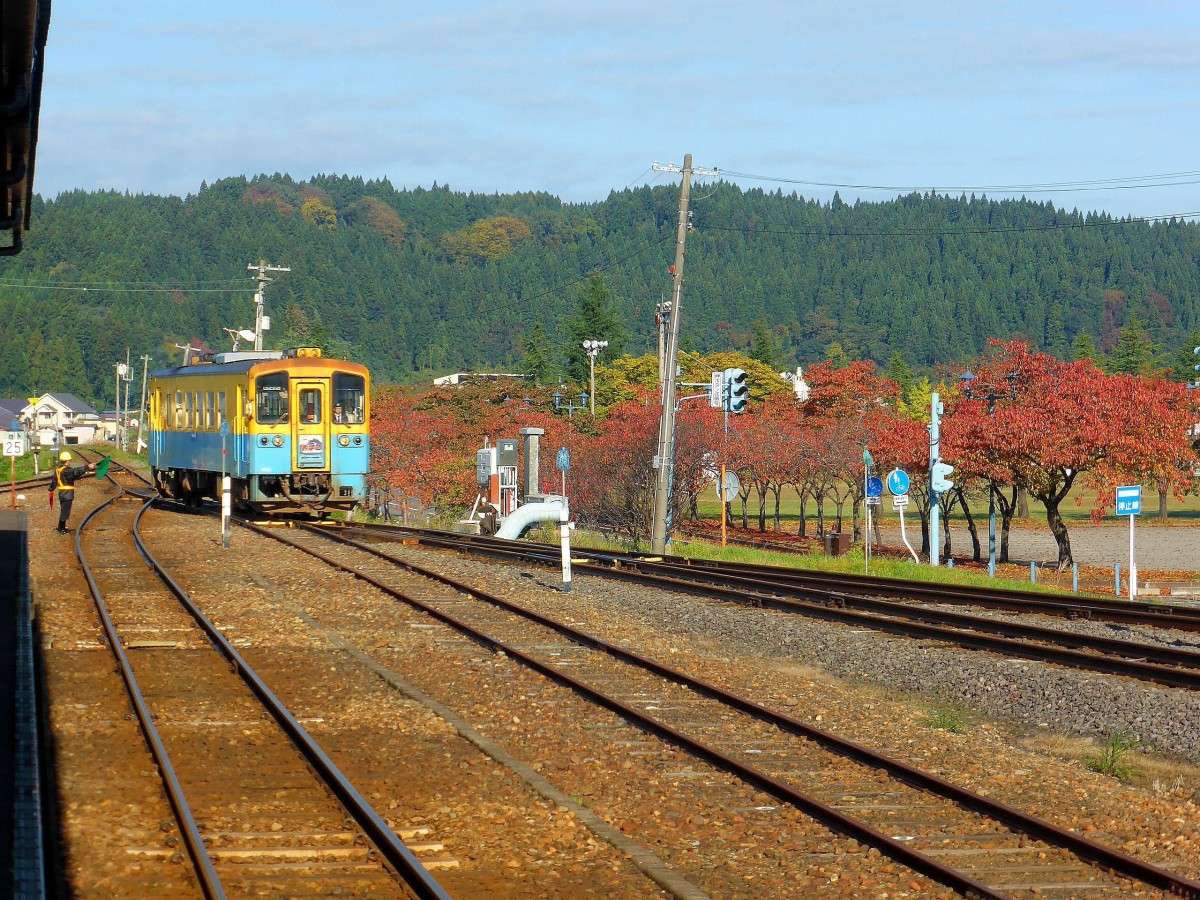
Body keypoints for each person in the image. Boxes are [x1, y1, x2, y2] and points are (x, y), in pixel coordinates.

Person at [49, 451, 96, 534]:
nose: (70, 462)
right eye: (69, 460)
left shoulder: (58, 470)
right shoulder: (66, 470)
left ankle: (62, 527)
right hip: (67, 494)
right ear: (67, 461)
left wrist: (51, 489)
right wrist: (87, 467)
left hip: (61, 493)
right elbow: (75, 472)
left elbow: (54, 481)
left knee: (64, 510)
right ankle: (61, 529)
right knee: (65, 511)